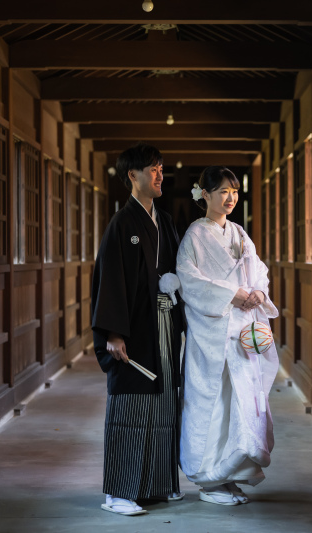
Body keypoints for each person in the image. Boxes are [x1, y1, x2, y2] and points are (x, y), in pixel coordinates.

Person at [90, 142, 185, 516]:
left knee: (162, 403)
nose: (160, 175)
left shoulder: (163, 221)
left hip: (162, 323)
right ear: (133, 176)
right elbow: (109, 279)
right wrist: (113, 332)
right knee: (130, 403)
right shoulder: (122, 223)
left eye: (161, 168)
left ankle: (153, 484)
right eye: (153, 169)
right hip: (133, 329)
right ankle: (118, 491)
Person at [176, 166, 279, 506]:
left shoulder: (238, 233)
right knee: (215, 402)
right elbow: (190, 280)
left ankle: (230, 474)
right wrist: (232, 294)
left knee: (242, 403)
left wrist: (259, 295)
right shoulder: (195, 235)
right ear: (204, 195)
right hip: (213, 333)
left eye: (234, 191)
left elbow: (259, 272)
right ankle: (209, 480)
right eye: (222, 191)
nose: (230, 197)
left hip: (241, 331)